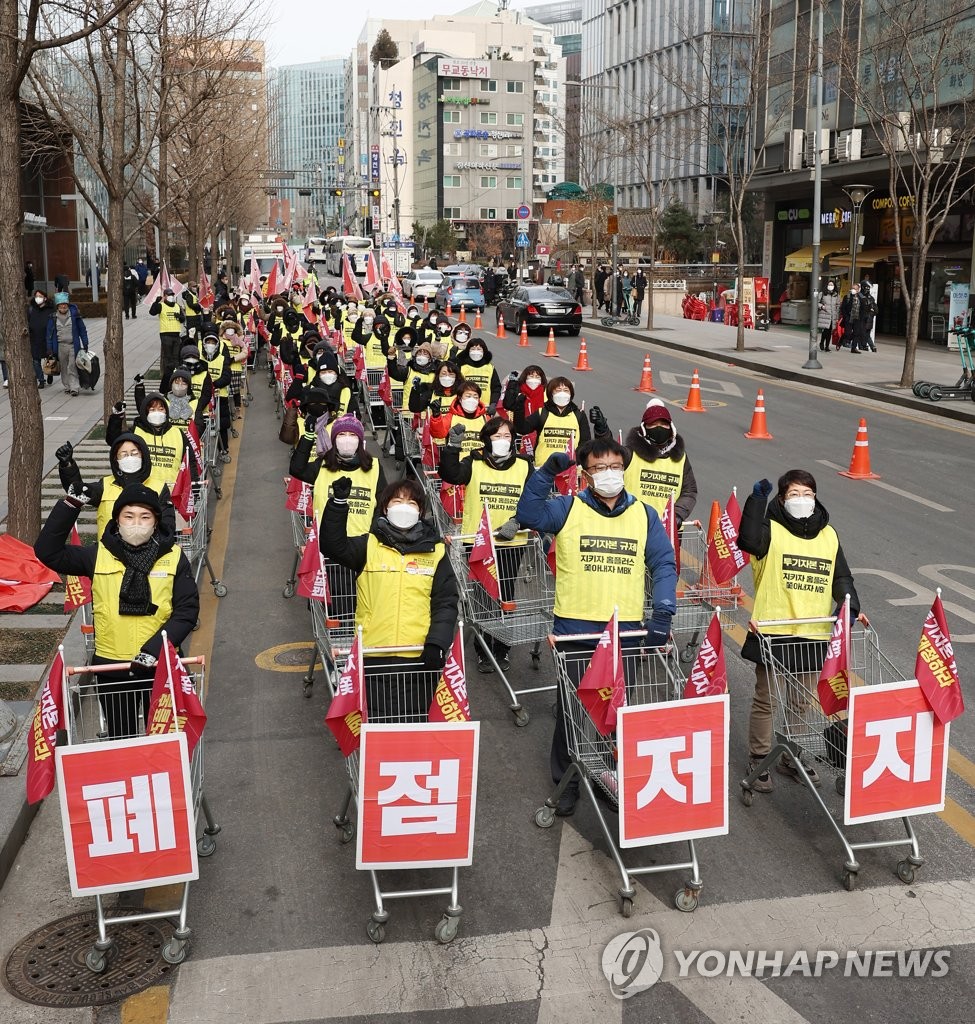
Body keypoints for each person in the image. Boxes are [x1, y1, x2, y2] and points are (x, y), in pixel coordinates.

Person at [517, 437, 678, 815]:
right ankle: (567, 779)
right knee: (573, 709)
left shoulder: (644, 514)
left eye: (615, 467)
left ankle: (607, 774)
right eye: (600, 467)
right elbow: (529, 515)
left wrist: (664, 611)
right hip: (577, 629)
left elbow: (664, 564)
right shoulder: (568, 508)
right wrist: (544, 474)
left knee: (615, 710)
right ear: (587, 474)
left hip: (626, 632)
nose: (609, 474)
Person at [35, 483, 198, 739]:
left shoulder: (174, 556)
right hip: (111, 667)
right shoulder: (97, 555)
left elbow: (186, 611)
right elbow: (48, 552)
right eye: (129, 516)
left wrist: (153, 651)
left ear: (156, 522)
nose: (137, 523)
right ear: (117, 519)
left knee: (165, 741)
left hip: (160, 667)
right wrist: (70, 506)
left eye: (145, 517)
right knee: (121, 740)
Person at [737, 470, 863, 792]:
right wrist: (755, 500)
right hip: (774, 630)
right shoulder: (770, 530)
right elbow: (747, 540)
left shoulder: (828, 536)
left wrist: (850, 607)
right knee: (767, 699)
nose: (801, 500)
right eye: (794, 494)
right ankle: (759, 757)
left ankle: (790, 755)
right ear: (782, 498)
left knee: (801, 701)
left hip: (813, 632)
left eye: (807, 493)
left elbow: (842, 578)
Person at [322, 476, 459, 716]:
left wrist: (437, 643)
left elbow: (445, 603)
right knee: (375, 725)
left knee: (414, 723)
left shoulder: (436, 552)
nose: (404, 507)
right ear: (385, 508)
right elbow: (332, 545)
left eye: (412, 504)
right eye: (397, 501)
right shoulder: (369, 545)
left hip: (418, 656)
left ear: (421, 512)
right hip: (373, 654)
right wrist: (338, 503)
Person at [440, 416, 533, 672]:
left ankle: (502, 649)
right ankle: (483, 649)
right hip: (479, 542)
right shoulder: (475, 462)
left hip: (511, 542)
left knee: (504, 596)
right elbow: (450, 474)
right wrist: (452, 448)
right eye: (496, 437)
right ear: (486, 440)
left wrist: (517, 520)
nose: (502, 441)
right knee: (483, 597)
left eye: (506, 437)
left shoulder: (525, 465)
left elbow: (533, 499)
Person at [623, 399, 698, 526]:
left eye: (664, 424)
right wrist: (602, 433)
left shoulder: (681, 459)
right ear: (644, 428)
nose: (659, 428)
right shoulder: (630, 454)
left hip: (668, 531)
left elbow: (689, 492)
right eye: (653, 424)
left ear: (671, 428)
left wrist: (676, 516)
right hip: (634, 526)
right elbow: (607, 463)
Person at [45, 292, 88, 397]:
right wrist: (49, 348)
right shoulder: (53, 318)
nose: (63, 306)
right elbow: (49, 335)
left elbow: (82, 330)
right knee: (63, 367)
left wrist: (85, 342)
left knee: (72, 366)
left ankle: (74, 387)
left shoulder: (75, 316)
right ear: (58, 306)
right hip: (60, 346)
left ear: (68, 305)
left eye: (65, 304)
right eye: (61, 305)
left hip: (73, 345)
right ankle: (67, 386)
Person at [150, 287, 185, 391]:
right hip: (166, 335)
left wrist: (179, 316)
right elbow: (152, 312)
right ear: (164, 296)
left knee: (176, 358)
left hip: (176, 334)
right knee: (168, 358)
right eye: (169, 295)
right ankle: (167, 380)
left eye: (172, 295)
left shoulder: (177, 306)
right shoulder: (161, 306)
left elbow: (183, 319)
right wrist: (156, 302)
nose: (171, 297)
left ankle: (176, 378)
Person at [27, 288, 53, 388]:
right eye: (36, 296)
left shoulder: (50, 309)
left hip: (46, 338)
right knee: (35, 360)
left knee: (49, 358)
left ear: (45, 298)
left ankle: (50, 373)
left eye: (40, 296)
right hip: (35, 338)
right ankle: (41, 380)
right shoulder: (31, 309)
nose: (38, 298)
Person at [839, 281, 871, 355]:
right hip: (849, 317)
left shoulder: (862, 298)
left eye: (855, 289)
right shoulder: (847, 297)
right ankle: (843, 339)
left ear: (858, 290)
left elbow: (864, 309)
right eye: (853, 288)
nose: (853, 290)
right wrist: (845, 316)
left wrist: (862, 317)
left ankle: (853, 348)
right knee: (848, 333)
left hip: (858, 318)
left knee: (856, 333)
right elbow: (843, 308)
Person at [817, 281, 841, 351]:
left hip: (833, 316)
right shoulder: (822, 293)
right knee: (825, 330)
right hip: (825, 314)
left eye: (832, 285)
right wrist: (821, 306)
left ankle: (827, 346)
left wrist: (837, 317)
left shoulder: (836, 295)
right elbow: (817, 302)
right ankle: (822, 342)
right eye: (829, 284)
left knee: (830, 331)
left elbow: (838, 306)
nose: (830, 286)